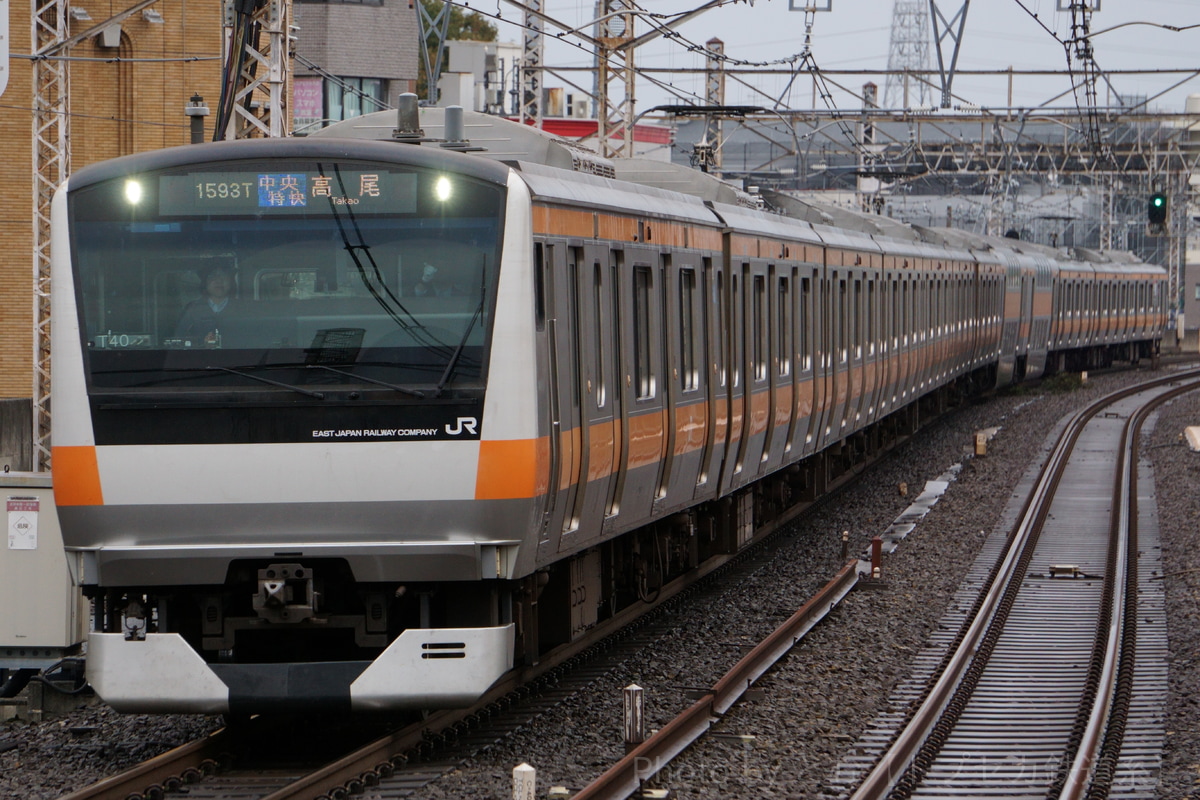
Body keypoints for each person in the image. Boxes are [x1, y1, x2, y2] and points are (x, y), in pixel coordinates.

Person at [175, 264, 238, 345]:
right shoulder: (191, 309)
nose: (219, 281)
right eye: (213, 277)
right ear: (205, 282)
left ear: (231, 281)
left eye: (223, 276)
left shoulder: (243, 309)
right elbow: (179, 338)